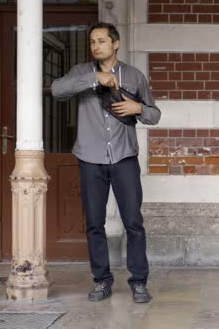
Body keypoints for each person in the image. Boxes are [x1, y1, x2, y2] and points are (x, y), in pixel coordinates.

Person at [51, 22, 161, 303]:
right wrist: (94, 79)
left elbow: (154, 114)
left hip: (124, 157)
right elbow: (57, 90)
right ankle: (101, 280)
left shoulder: (134, 76)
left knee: (133, 222)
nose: (96, 45)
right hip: (90, 158)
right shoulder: (81, 72)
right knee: (94, 224)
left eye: (101, 40)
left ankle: (139, 282)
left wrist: (139, 108)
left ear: (116, 44)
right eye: (92, 41)